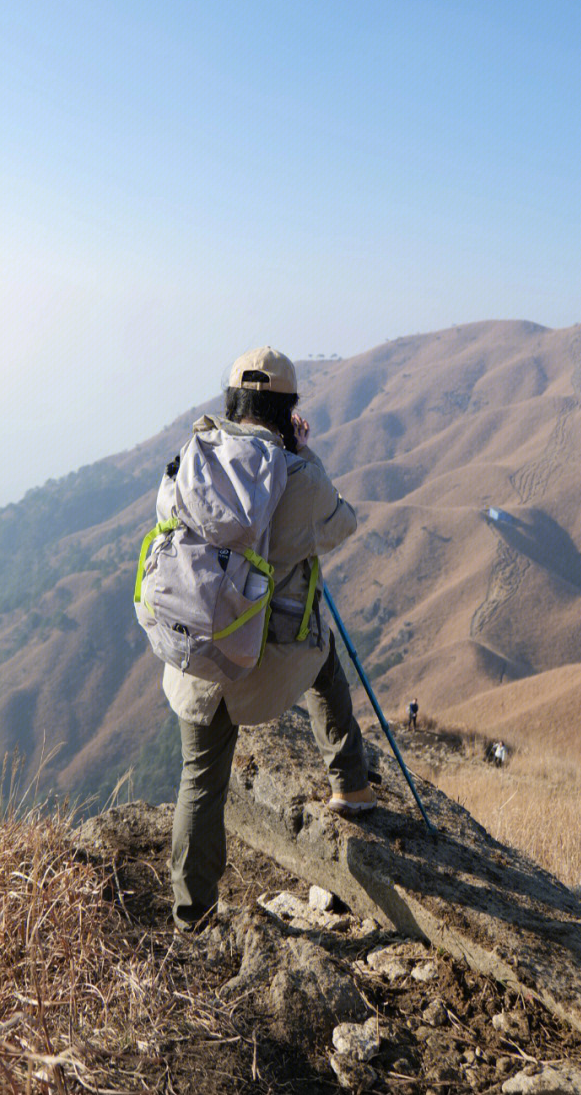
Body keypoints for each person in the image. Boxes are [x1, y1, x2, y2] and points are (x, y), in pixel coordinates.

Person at [160, 345, 374, 932]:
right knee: (325, 654)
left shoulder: (192, 457)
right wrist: (304, 452)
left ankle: (192, 917)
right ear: (287, 409)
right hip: (267, 662)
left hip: (196, 651)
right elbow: (342, 523)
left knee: (198, 779)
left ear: (233, 403)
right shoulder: (297, 475)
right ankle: (350, 786)